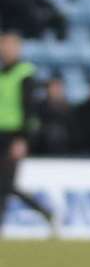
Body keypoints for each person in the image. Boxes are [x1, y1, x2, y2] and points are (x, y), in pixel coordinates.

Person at [0, 33, 53, 235]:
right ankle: (44, 212)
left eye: (9, 46)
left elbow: (30, 110)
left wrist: (23, 139)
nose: (5, 50)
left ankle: (42, 211)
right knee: (6, 185)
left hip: (13, 135)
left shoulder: (25, 74)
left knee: (5, 185)